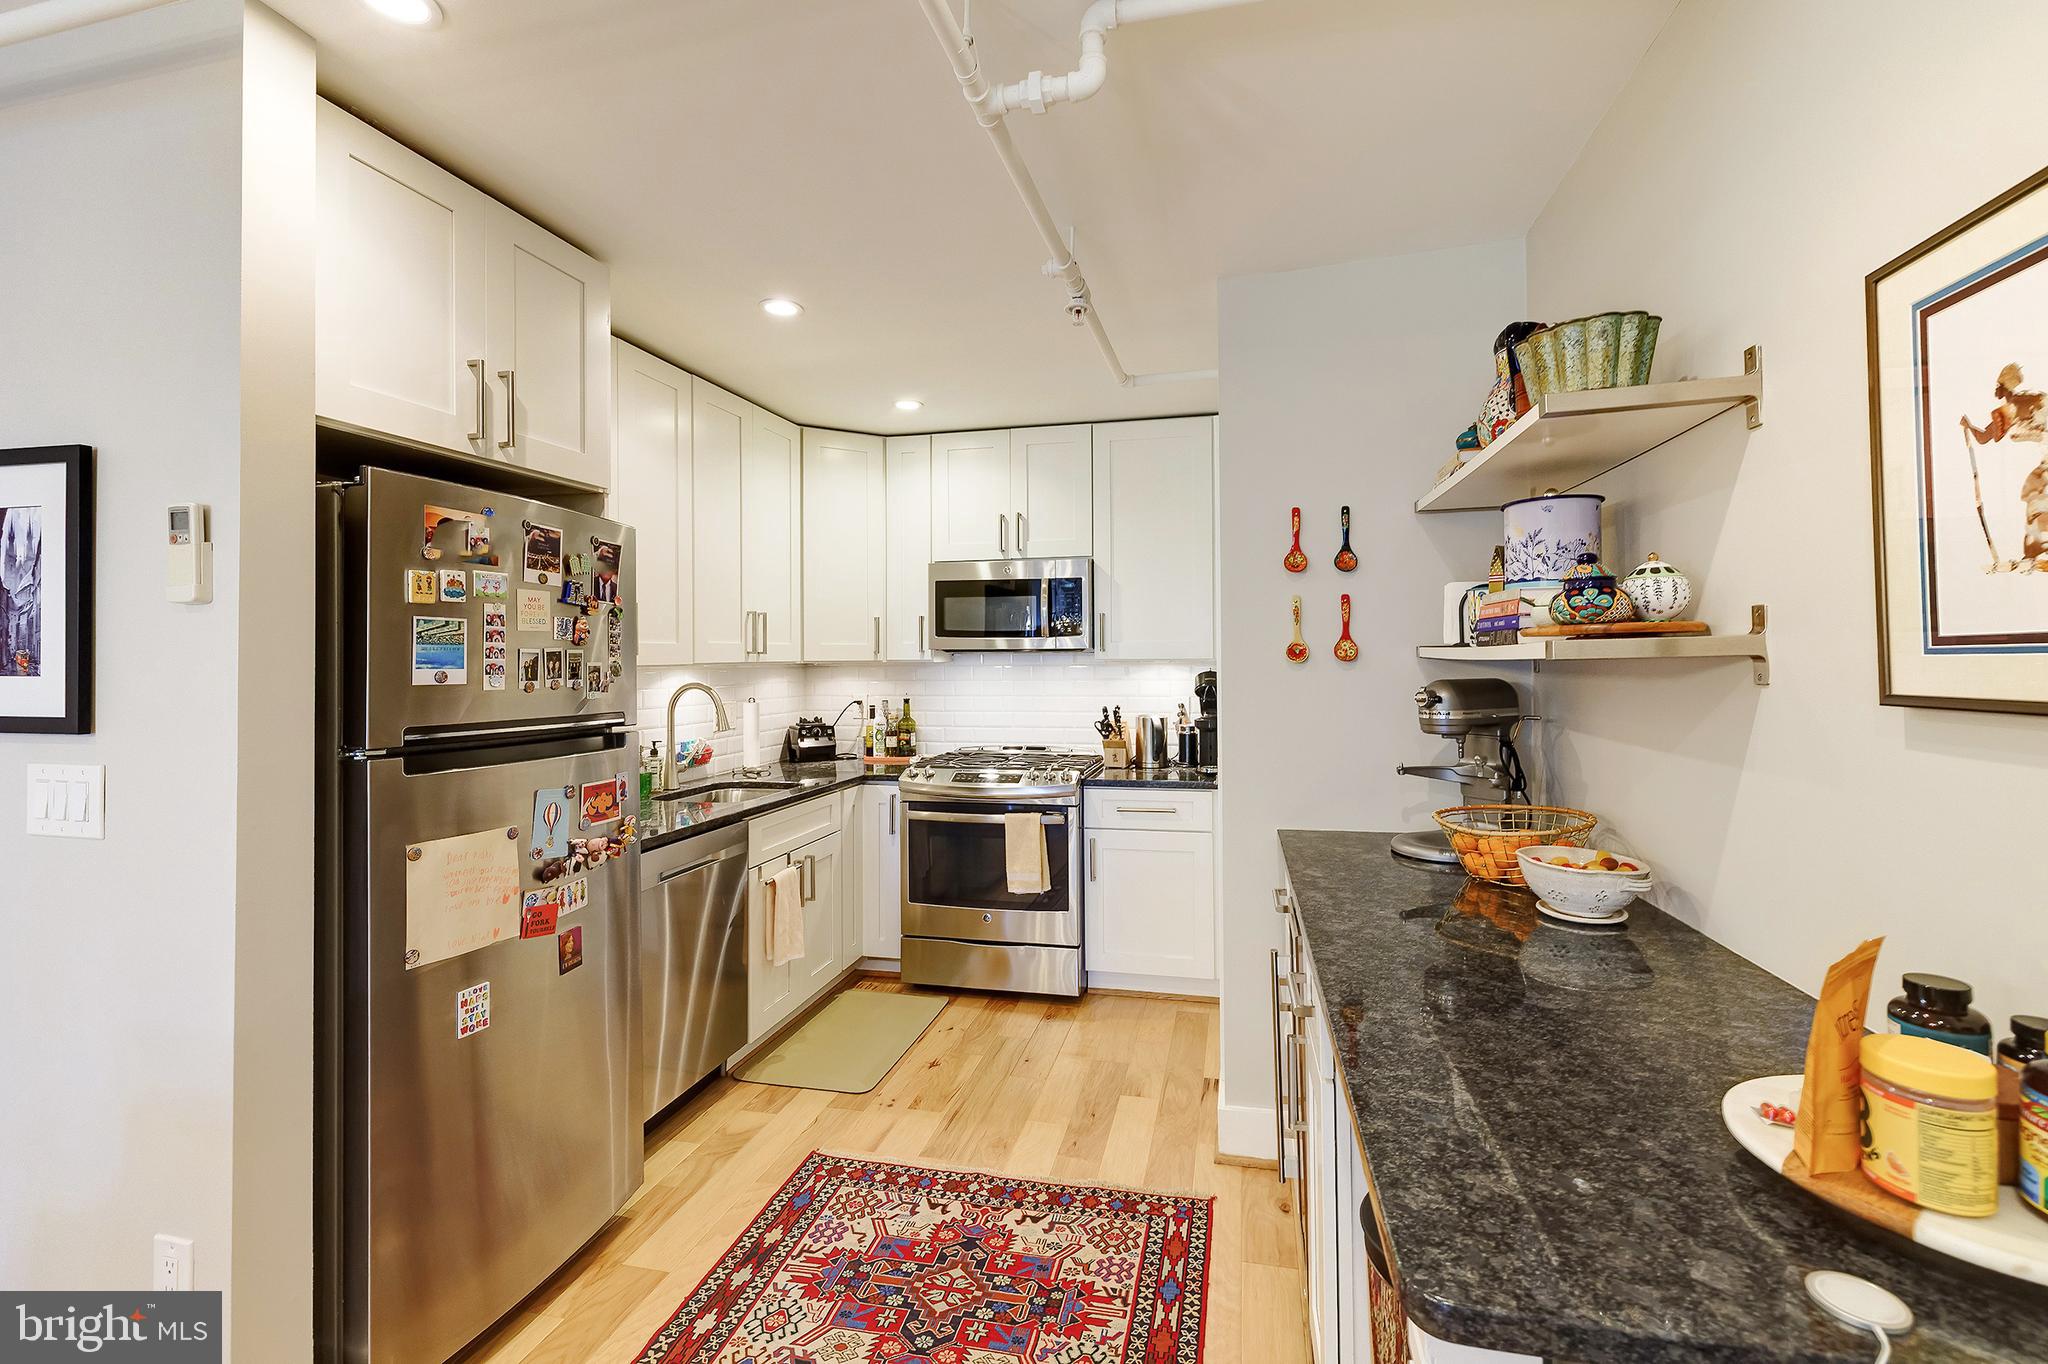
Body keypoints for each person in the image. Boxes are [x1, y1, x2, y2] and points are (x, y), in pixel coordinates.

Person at [1961, 362, 2048, 568]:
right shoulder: (2029, 400)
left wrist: (1968, 425)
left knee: (2036, 493)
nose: (1995, 390)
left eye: (1998, 385)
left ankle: (2036, 549)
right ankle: (2035, 550)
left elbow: (1983, 438)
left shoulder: (2014, 407)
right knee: (2035, 493)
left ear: (2003, 387)